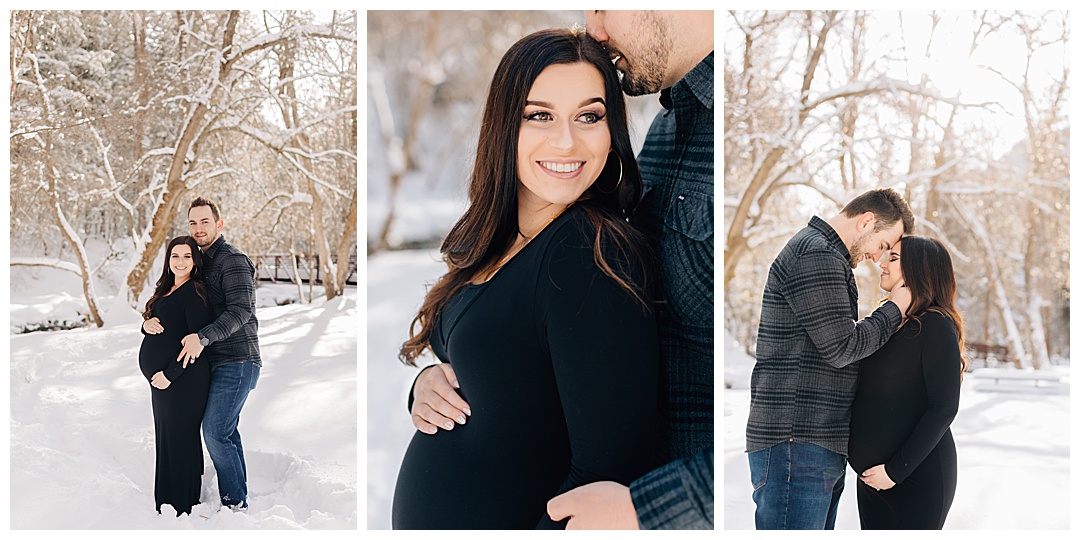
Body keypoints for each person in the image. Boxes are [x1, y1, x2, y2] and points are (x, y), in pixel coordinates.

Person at [409, 10, 717, 530]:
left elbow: (603, 477)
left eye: (590, 117)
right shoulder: (498, 237)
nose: (567, 143)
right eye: (539, 115)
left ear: (612, 130)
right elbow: (511, 365)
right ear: (505, 125)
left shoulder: (587, 251)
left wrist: (650, 506)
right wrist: (426, 386)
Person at [746, 188, 915, 530]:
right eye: (883, 245)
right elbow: (842, 347)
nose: (879, 257)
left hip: (811, 443)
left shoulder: (827, 256)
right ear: (866, 222)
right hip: (796, 442)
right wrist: (896, 308)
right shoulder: (816, 254)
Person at [149, 197, 262, 510]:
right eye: (193, 223)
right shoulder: (199, 261)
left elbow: (241, 310)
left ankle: (235, 503)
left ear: (219, 224)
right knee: (224, 430)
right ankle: (236, 494)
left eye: (205, 222)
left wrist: (203, 337)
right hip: (213, 361)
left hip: (237, 359)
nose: (198, 228)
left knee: (214, 431)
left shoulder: (232, 260)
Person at [848, 236, 964, 529]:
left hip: (915, 476)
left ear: (919, 268)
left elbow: (944, 407)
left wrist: (894, 471)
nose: (883, 263)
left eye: (894, 258)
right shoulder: (887, 322)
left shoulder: (935, 324)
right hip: (873, 481)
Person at [139, 235, 214, 516]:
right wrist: (145, 325)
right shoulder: (166, 289)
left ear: (195, 261)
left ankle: (181, 504)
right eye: (175, 256)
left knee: (180, 438)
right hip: (163, 382)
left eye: (186, 256)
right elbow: (157, 322)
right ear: (168, 260)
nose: (180, 262)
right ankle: (172, 500)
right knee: (168, 437)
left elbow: (195, 345)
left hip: (183, 380)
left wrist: (170, 375)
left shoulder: (195, 293)